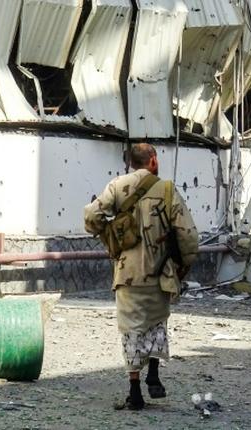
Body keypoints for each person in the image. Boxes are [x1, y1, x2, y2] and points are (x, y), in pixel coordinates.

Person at [84, 143, 199, 410]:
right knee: (157, 322)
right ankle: (154, 373)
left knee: (131, 330)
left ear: (130, 163)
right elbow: (188, 235)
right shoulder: (167, 190)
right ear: (153, 161)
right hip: (160, 273)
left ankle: (134, 390)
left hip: (128, 273)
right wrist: (184, 265)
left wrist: (108, 233)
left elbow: (91, 216)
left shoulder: (117, 186)